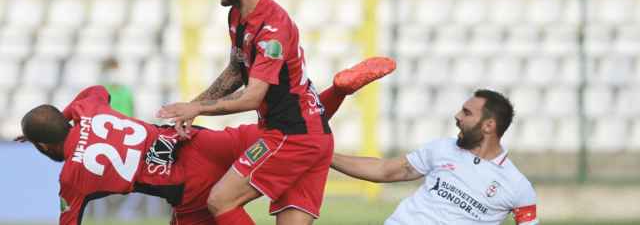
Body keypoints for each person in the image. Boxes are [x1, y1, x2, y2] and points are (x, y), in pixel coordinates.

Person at [16, 57, 395, 225]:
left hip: (188, 186)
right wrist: (64, 117)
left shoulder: (72, 179)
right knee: (292, 136)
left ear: (45, 147)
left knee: (222, 205)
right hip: (204, 141)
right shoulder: (89, 110)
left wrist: (48, 136)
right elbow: (95, 90)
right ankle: (337, 91)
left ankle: (338, 93)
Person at [157, 0, 383, 224]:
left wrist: (196, 109)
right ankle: (339, 90)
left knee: (220, 200)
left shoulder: (273, 29)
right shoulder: (238, 17)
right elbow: (234, 73)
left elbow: (252, 97)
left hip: (291, 137)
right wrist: (193, 107)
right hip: (312, 136)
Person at [331, 89, 539, 225]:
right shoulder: (442, 148)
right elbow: (387, 170)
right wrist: (326, 157)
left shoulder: (517, 186)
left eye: (466, 113)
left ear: (488, 125)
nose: (457, 116)